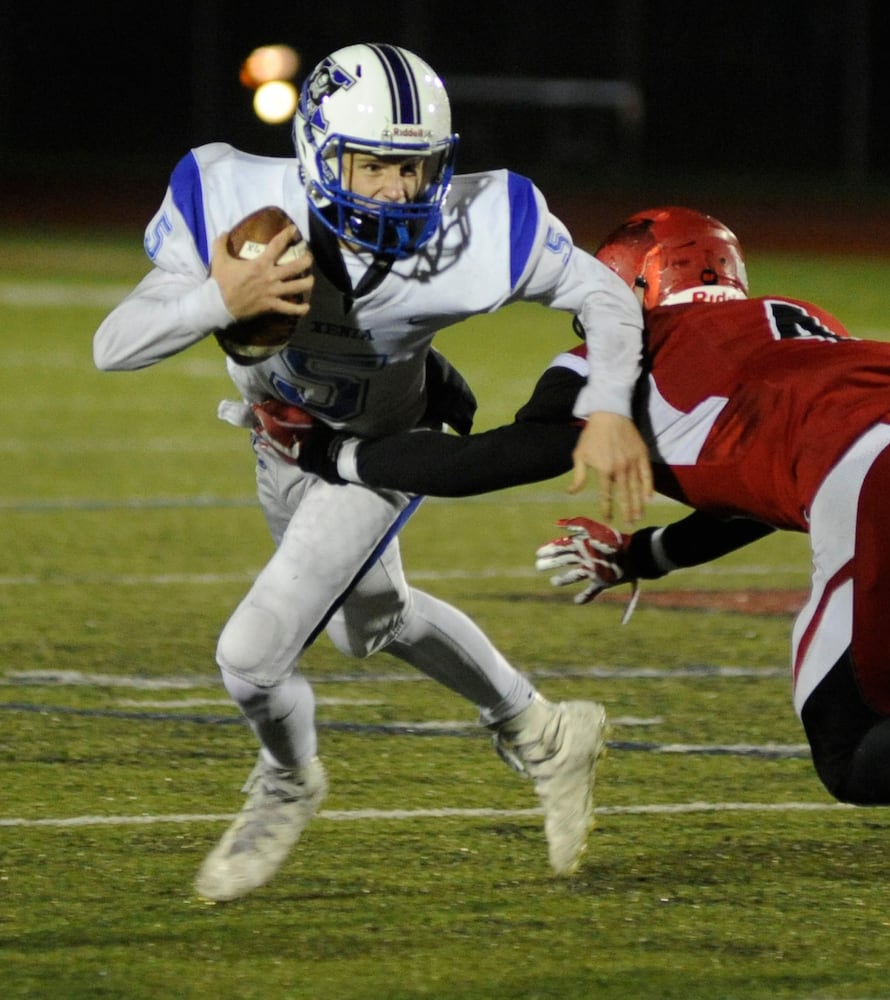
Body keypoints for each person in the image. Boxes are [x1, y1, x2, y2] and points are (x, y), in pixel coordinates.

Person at [294, 206, 890, 953]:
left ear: (632, 285)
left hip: (887, 468)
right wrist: (643, 556)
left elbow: (488, 460)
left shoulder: (619, 353)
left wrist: (334, 450)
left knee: (858, 754)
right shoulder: (791, 316)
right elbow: (758, 486)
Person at [92, 42, 654, 902]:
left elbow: (606, 295)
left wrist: (609, 405)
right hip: (280, 439)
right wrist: (221, 300)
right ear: (317, 153)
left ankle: (288, 781)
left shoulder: (479, 226)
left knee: (249, 659)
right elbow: (112, 347)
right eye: (374, 166)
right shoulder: (233, 196)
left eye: (416, 168)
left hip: (383, 446)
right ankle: (543, 729)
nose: (398, 191)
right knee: (370, 623)